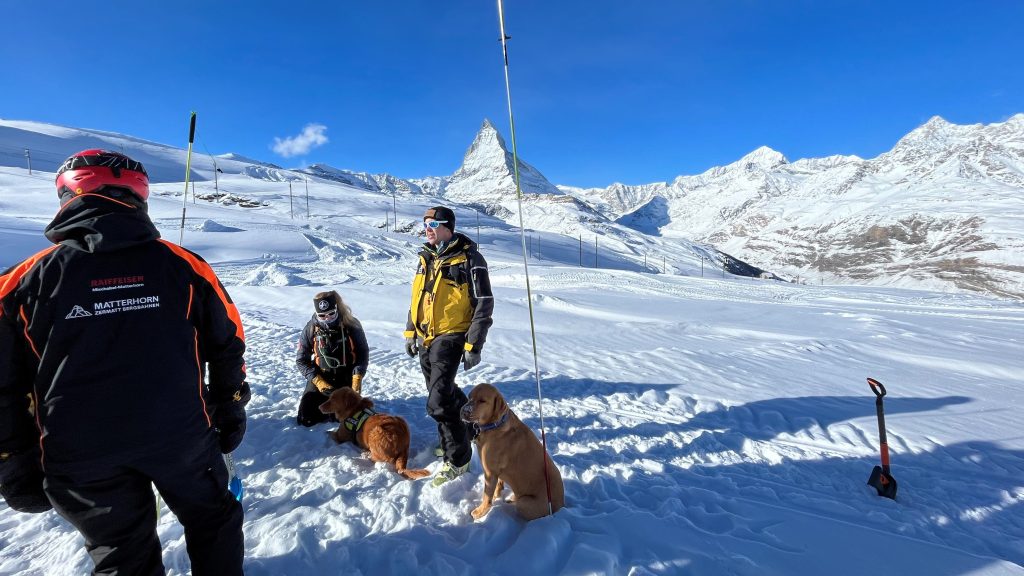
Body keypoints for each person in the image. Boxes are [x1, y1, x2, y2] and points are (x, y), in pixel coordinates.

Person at [0, 149, 249, 575]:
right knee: (214, 520)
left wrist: (11, 455)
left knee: (121, 552)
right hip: (181, 436)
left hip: (79, 452)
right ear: (139, 195)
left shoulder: (21, 281)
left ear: (67, 195)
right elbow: (227, 342)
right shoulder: (184, 265)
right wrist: (229, 404)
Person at [404, 206, 493, 486]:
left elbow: (484, 302)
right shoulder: (426, 258)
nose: (427, 228)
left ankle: (459, 459)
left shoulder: (470, 258)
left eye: (432, 224)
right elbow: (418, 298)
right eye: (425, 224)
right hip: (426, 336)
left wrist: (474, 343)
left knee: (439, 400)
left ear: (447, 227)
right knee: (443, 393)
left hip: (452, 335)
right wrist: (410, 332)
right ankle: (461, 433)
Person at [294, 290, 369, 426]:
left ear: (337, 309)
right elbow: (301, 359)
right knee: (306, 418)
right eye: (322, 316)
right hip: (321, 376)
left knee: (348, 417)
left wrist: (357, 376)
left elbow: (362, 352)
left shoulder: (351, 324)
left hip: (346, 376)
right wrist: (317, 380)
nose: (327, 318)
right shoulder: (311, 328)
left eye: (331, 314)